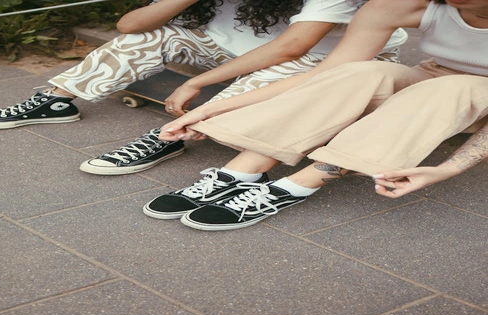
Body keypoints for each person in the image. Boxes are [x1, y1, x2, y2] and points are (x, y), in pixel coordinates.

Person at [142, 0, 488, 230]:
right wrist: (209, 108)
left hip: (474, 93)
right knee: (364, 72)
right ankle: (241, 173)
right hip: (435, 72)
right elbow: (327, 74)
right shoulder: (399, 5)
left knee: (446, 90)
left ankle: (298, 185)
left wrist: (449, 168)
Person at [0, 0, 407, 175]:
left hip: (326, 57)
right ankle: (56, 102)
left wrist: (199, 83)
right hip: (228, 48)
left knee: (266, 73)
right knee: (147, 37)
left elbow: (290, 48)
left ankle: (171, 137)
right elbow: (128, 25)